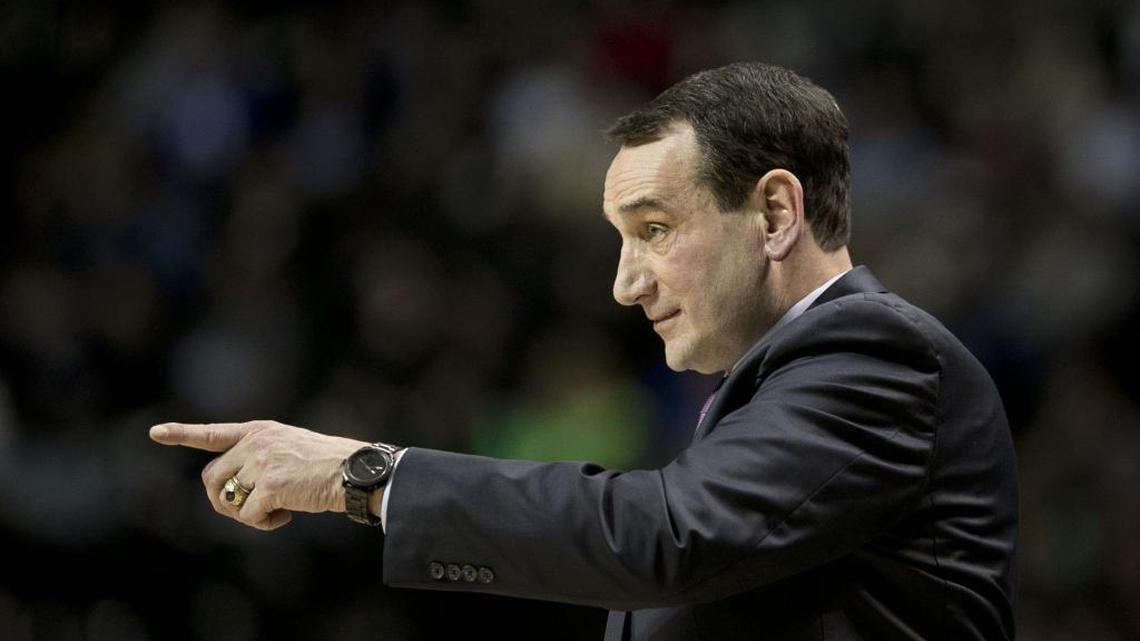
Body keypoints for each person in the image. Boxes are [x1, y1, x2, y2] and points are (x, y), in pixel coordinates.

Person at [151, 62, 1018, 641]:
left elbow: (662, 534)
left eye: (653, 229)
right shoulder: (782, 387)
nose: (624, 283)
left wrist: (366, 473)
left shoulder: (877, 354)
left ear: (776, 214)